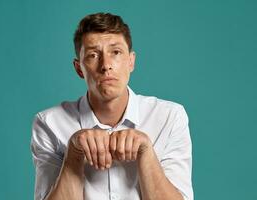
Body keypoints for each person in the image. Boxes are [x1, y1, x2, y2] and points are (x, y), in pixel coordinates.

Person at [31, 12, 193, 200]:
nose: (106, 65)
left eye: (115, 52)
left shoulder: (170, 117)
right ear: (79, 68)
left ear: (131, 61)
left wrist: (147, 152)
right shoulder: (49, 123)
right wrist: (74, 153)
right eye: (93, 55)